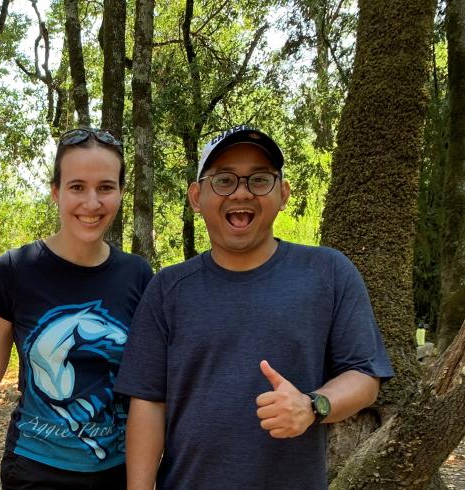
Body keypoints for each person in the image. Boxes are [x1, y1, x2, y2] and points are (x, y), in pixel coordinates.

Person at [114, 125, 394, 489]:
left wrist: (312, 407)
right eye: (224, 180)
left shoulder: (328, 273)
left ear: (283, 194)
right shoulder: (168, 288)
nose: (242, 192)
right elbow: (148, 403)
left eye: (259, 179)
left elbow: (364, 376)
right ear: (196, 197)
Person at [0, 128, 154, 489]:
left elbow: (147, 384)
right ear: (56, 192)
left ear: (121, 193)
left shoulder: (137, 274)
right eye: (77, 187)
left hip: (116, 470)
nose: (91, 203)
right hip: (35, 469)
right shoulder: (16, 269)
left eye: (105, 187)